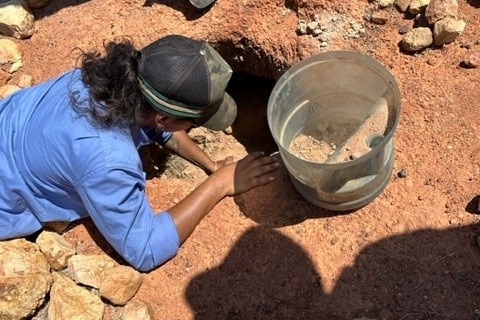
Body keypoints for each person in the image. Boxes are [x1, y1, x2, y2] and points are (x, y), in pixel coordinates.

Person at [0, 34, 279, 272]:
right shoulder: (108, 161)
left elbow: (158, 125)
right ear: (163, 117)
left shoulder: (87, 80)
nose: (192, 127)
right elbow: (145, 250)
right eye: (193, 122)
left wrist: (211, 164)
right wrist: (220, 183)